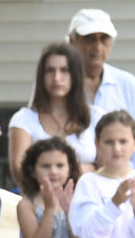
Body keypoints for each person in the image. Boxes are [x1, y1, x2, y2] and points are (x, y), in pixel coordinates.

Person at [65, 10, 135, 171]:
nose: (97, 47)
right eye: (89, 39)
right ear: (73, 41)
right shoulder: (57, 83)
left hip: (119, 181)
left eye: (104, 39)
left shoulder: (128, 85)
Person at [7, 41, 95, 173]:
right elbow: (20, 170)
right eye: (50, 70)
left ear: (75, 75)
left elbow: (107, 169)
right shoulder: (24, 119)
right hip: (38, 193)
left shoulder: (96, 116)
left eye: (64, 70)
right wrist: (81, 170)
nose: (56, 78)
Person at [14, 137, 84, 238]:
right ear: (32, 170)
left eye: (60, 165)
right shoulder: (27, 204)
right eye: (45, 166)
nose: (53, 171)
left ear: (70, 168)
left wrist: (69, 211)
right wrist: (50, 208)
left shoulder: (77, 199)